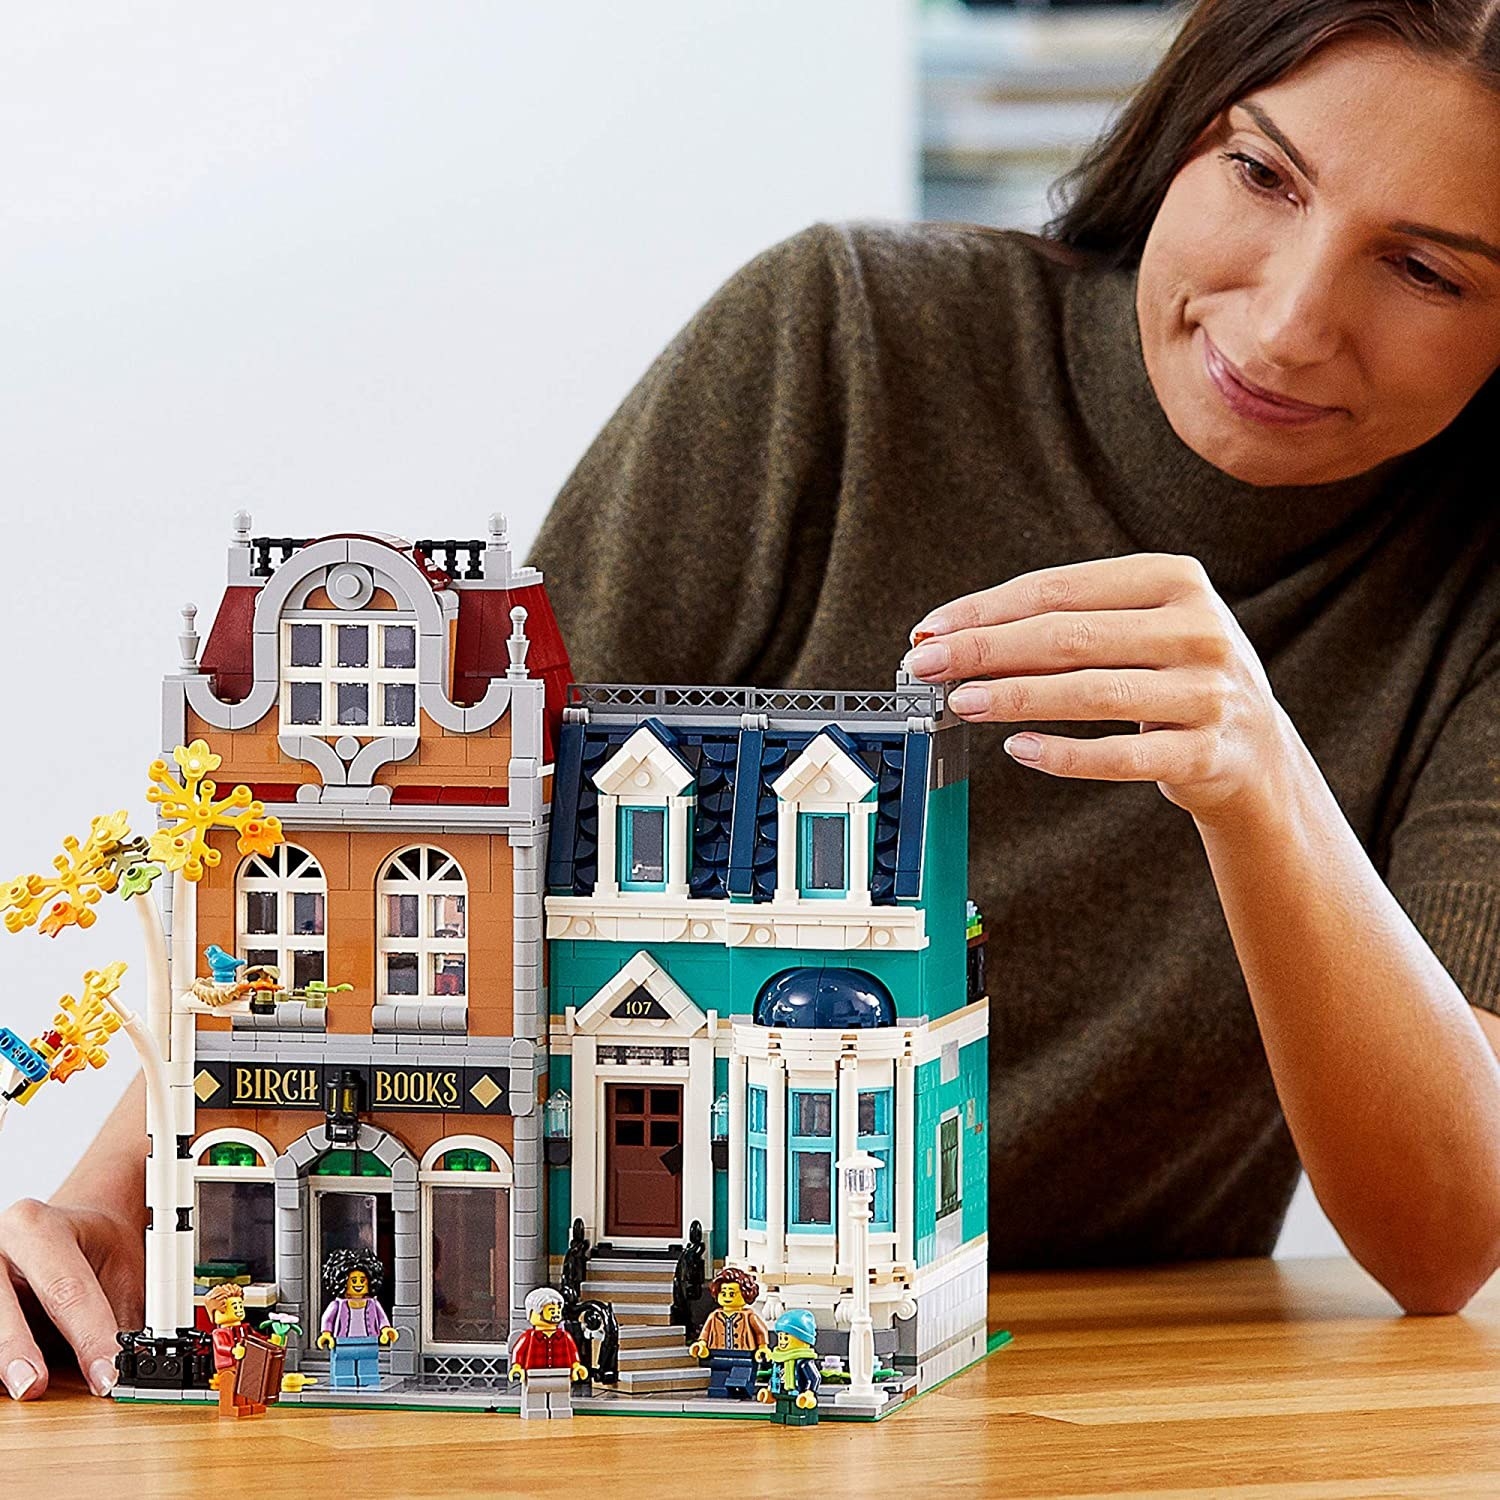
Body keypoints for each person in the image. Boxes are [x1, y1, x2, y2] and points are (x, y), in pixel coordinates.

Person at [2, 0, 1498, 1405]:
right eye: (1260, 171)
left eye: (1428, 270)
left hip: (1125, 1392)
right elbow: (436, 816)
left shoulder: (1471, 587)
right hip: (644, 1374)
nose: (1295, 320)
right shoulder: (843, 339)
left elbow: (1445, 1244)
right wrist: (112, 1214)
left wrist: (1263, 782)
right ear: (1181, 131)